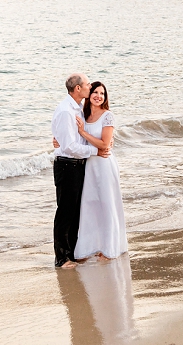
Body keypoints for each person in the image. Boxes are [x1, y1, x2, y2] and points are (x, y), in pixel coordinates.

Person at [52, 73, 110, 268]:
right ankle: (62, 259)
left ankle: (72, 253)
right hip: (67, 165)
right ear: (78, 89)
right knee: (65, 212)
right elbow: (69, 147)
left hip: (78, 165)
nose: (90, 86)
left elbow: (74, 138)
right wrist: (96, 150)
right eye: (87, 84)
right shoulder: (66, 111)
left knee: (76, 211)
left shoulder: (77, 108)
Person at [73, 81, 128, 260]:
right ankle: (91, 247)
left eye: (102, 93)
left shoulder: (107, 116)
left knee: (107, 204)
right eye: (95, 92)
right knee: (90, 206)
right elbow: (71, 134)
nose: (98, 96)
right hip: (89, 166)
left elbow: (105, 144)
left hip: (104, 164)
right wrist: (58, 141)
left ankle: (110, 248)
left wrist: (84, 133)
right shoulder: (84, 114)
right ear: (89, 95)